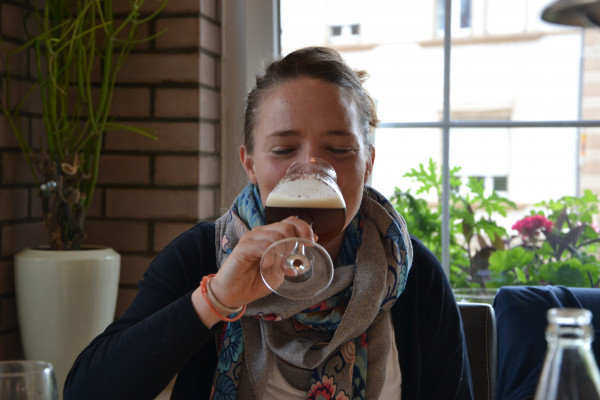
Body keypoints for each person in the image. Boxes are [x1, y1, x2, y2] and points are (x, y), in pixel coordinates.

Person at [64, 46, 474, 400]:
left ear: (368, 164)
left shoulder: (415, 276)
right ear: (250, 164)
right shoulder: (200, 256)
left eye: (338, 149)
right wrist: (217, 299)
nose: (311, 171)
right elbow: (86, 391)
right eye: (283, 150)